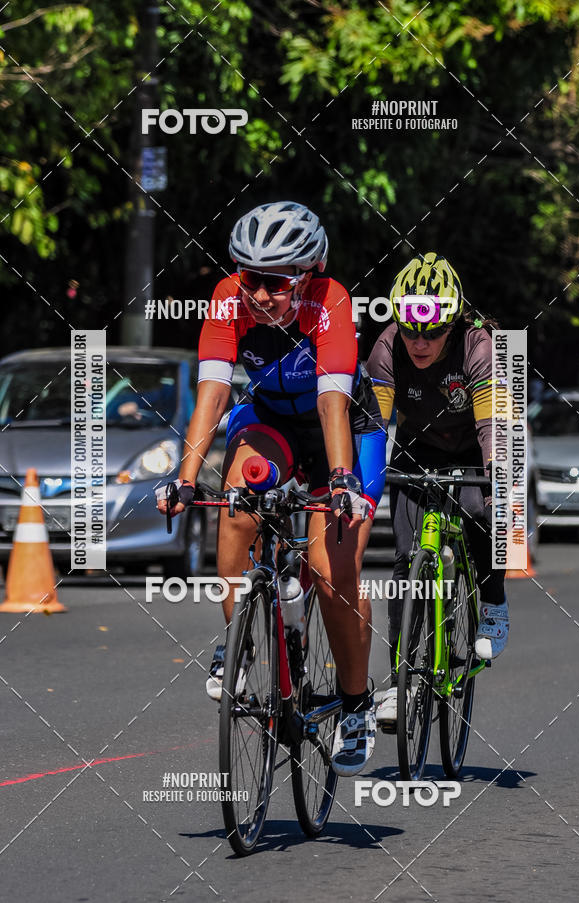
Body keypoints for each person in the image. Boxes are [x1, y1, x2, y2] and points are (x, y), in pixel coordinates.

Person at [156, 201, 386, 776]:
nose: (260, 294)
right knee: (234, 508)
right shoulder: (227, 297)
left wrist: (339, 482)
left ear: (307, 275)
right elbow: (211, 392)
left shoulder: (330, 301)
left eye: (275, 283)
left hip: (344, 431)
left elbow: (333, 402)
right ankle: (241, 637)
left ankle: (356, 704)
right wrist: (185, 480)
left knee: (333, 573)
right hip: (270, 421)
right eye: (250, 277)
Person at [366, 252, 508, 728]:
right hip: (416, 451)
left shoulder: (478, 346)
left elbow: (492, 424)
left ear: (453, 323)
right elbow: (372, 428)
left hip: (472, 449)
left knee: (481, 512)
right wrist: (359, 482)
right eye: (410, 330)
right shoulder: (385, 349)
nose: (419, 342)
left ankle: (493, 600)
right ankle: (398, 686)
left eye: (431, 332)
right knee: (406, 565)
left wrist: (495, 476)